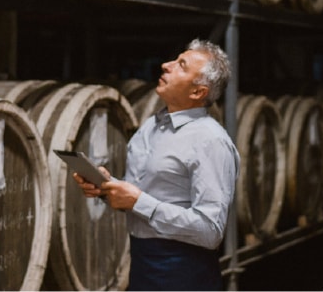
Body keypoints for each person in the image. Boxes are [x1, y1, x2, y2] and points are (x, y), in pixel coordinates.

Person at [73, 39, 239, 291]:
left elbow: (210, 230)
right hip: (143, 266)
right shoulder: (152, 125)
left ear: (198, 92)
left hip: (184, 273)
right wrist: (108, 187)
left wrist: (138, 202)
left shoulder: (210, 140)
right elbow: (149, 193)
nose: (166, 65)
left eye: (181, 65)